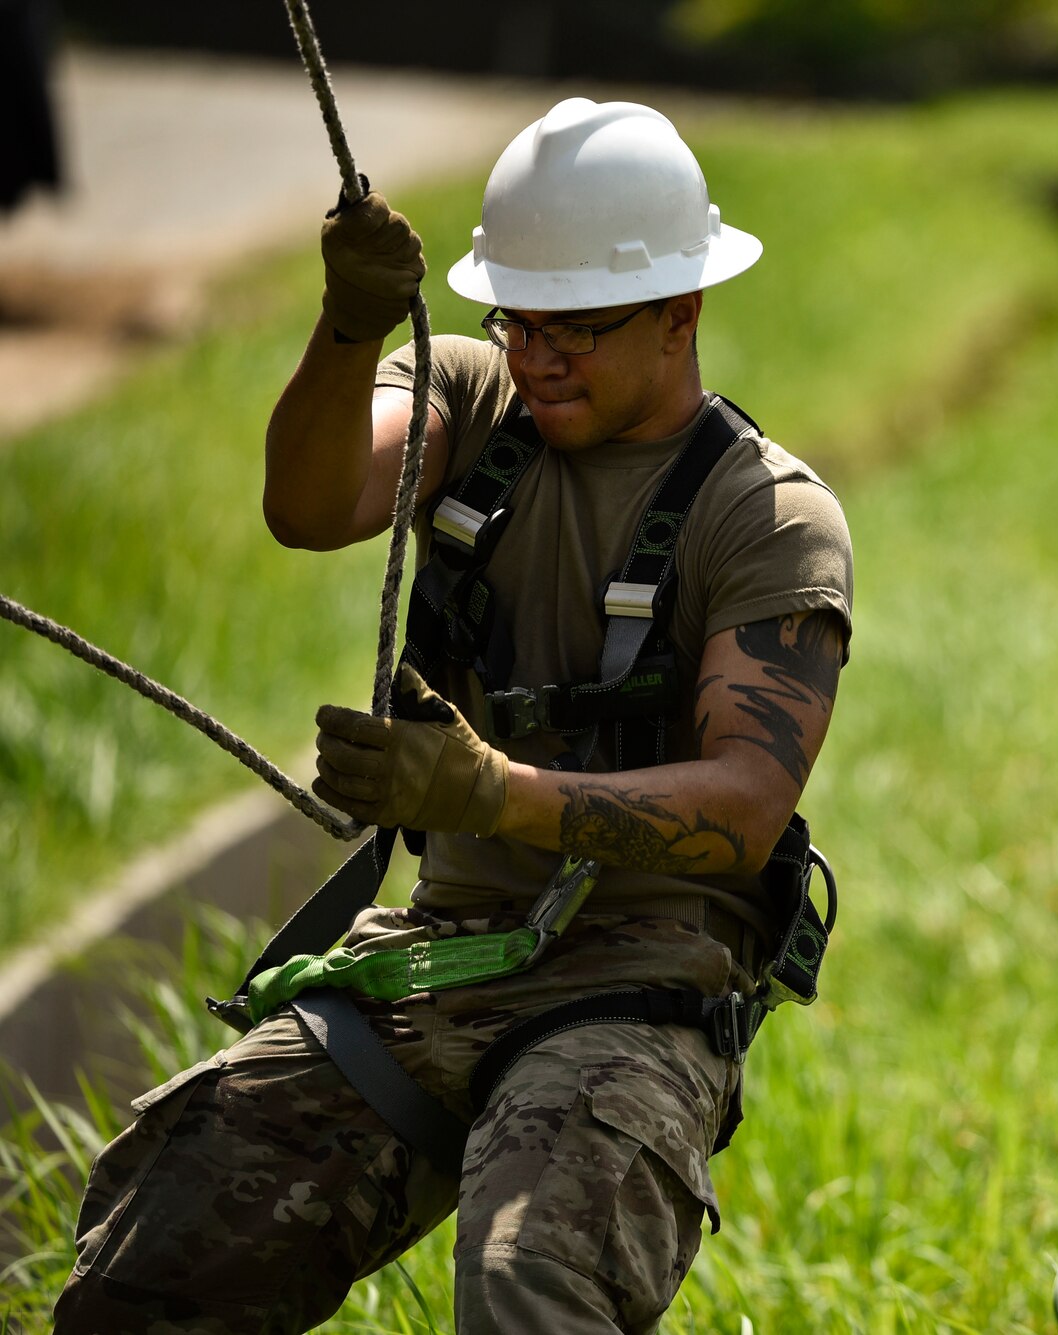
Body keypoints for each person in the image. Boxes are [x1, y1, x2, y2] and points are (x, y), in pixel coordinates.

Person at [53, 97, 853, 1334]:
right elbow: (312, 507)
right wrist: (347, 326)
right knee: (153, 1262)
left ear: (680, 313)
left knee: (532, 1287)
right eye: (517, 319)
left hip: (638, 983)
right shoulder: (475, 403)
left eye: (578, 328)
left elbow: (745, 810)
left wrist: (486, 792)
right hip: (439, 955)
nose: (538, 357)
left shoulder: (766, 515)